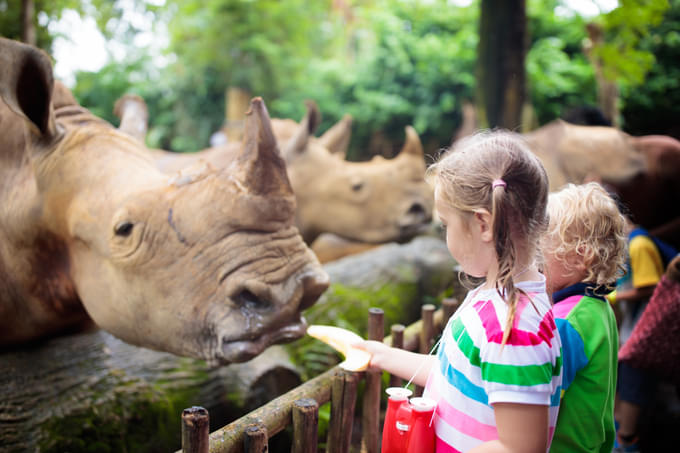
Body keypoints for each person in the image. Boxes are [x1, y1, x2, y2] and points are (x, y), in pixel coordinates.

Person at [357, 130, 562, 452]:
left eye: (445, 224)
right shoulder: (491, 301)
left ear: (482, 224)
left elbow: (520, 447)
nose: (444, 233)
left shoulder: (513, 331)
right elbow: (455, 376)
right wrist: (382, 355)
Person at [541, 182, 627, 452]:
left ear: (580, 258)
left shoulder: (566, 322)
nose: (536, 262)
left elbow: (539, 394)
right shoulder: (599, 307)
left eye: (541, 251)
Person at [609, 217, 676, 452]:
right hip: (634, 326)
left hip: (646, 327)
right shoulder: (628, 243)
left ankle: (627, 440)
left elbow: (652, 285)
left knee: (633, 376)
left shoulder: (638, 245)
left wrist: (614, 296)